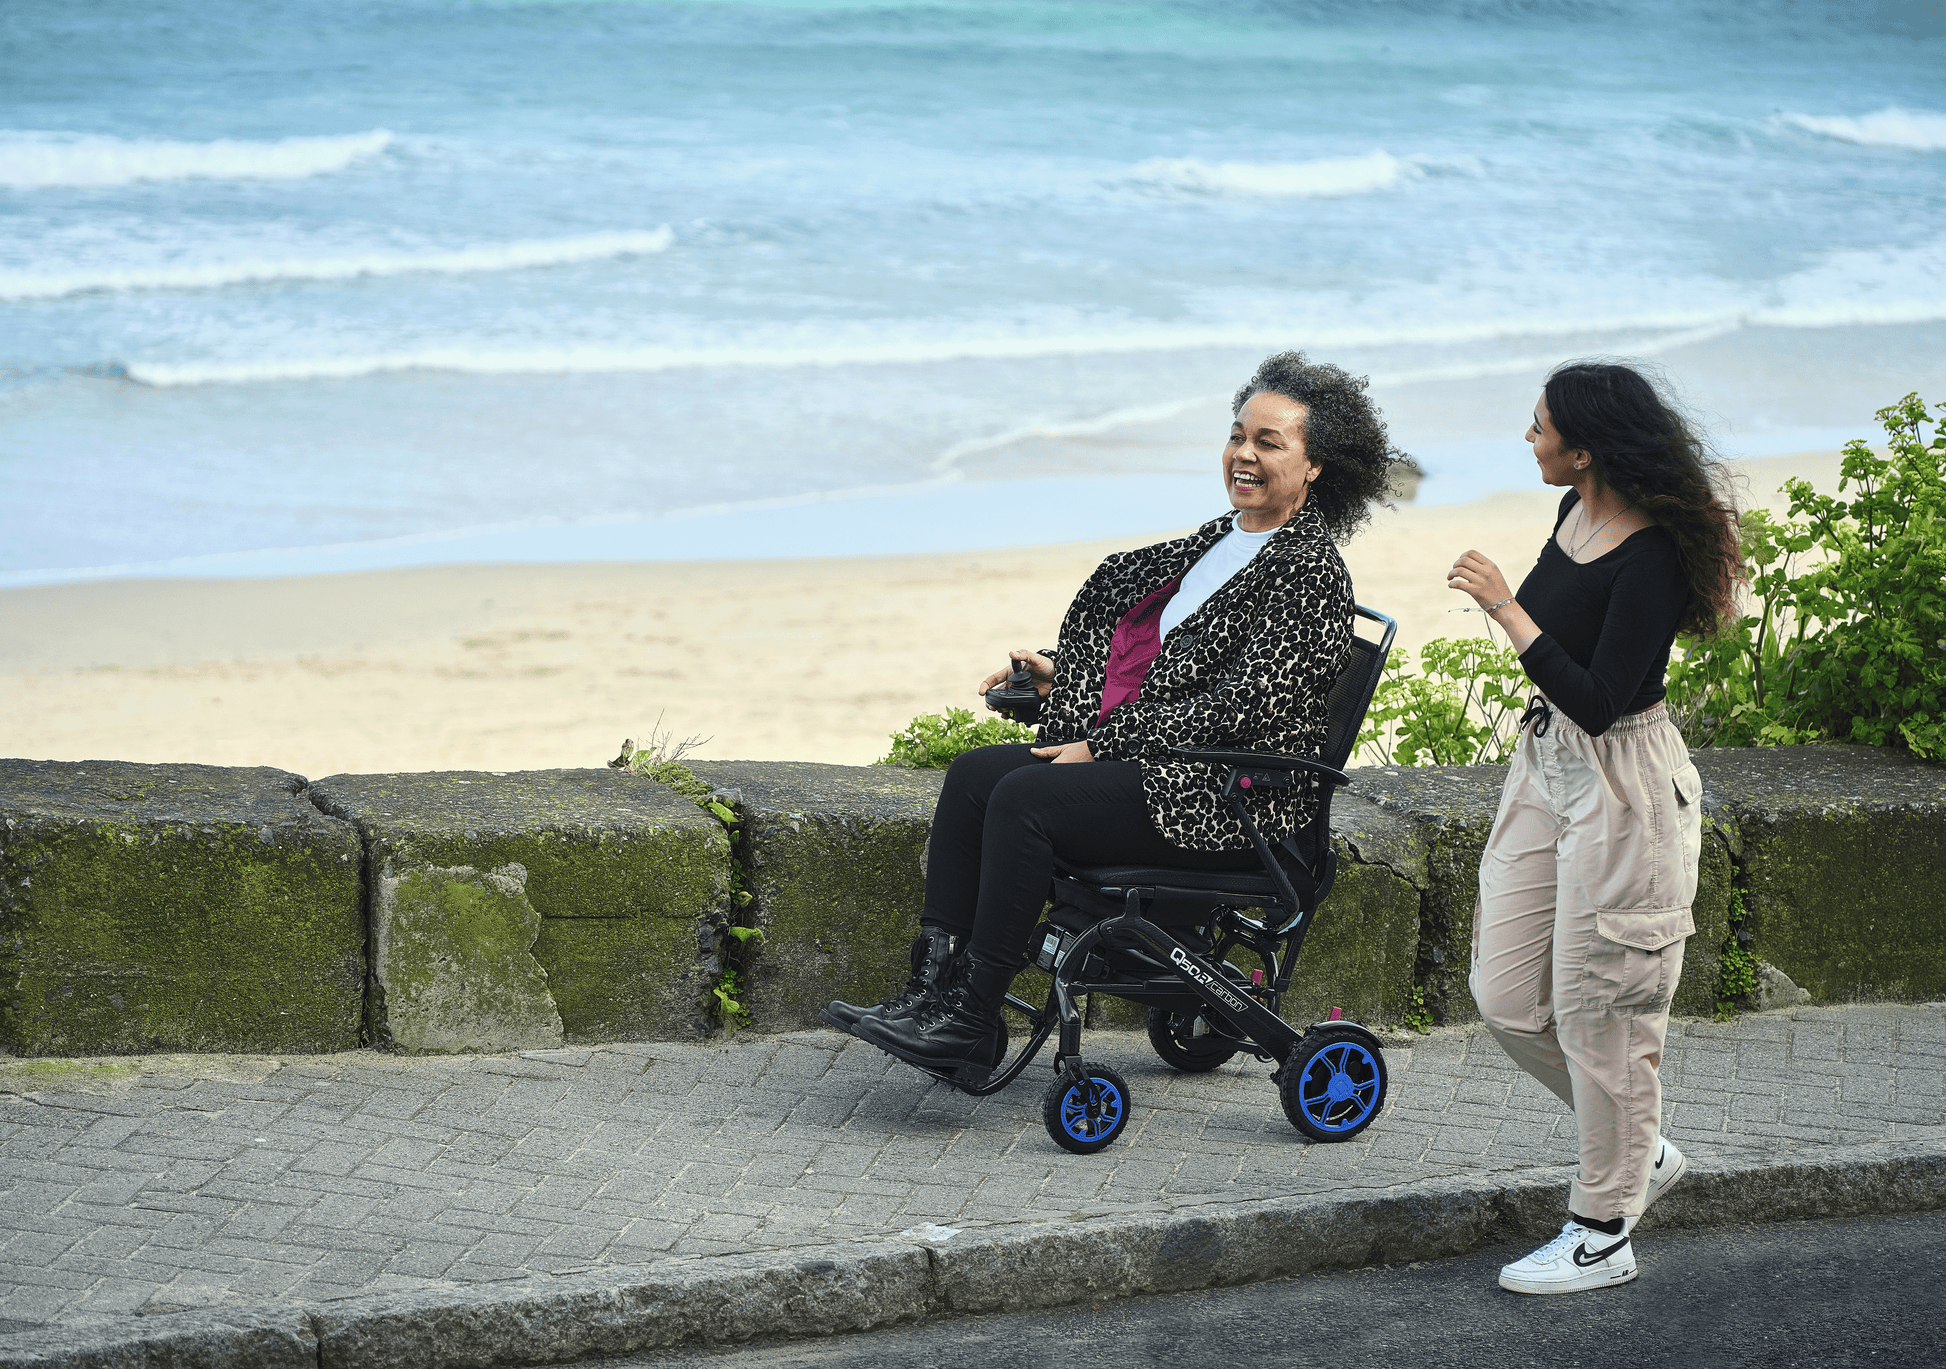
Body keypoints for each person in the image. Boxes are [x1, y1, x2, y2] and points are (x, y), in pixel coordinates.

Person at [823, 351, 1407, 1083]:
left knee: (1027, 799)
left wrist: (1103, 743)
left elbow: (1238, 705)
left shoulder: (1309, 572)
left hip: (1225, 797)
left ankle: (974, 1015)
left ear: (1317, 465)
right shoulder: (1223, 540)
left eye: (1268, 442)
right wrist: (1065, 674)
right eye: (1236, 435)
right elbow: (1159, 660)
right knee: (975, 774)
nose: (1243, 455)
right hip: (1164, 760)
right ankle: (930, 990)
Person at [1446, 360, 1743, 1296]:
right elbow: (1563, 668)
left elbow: (1603, 698)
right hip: (1548, 770)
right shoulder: (1574, 508)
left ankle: (1602, 1228)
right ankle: (1636, 1145)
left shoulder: (1649, 552)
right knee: (1503, 994)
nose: (1527, 438)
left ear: (1585, 446)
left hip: (1622, 785)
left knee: (1601, 1014)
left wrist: (1503, 606)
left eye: (1538, 427)